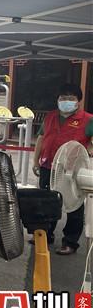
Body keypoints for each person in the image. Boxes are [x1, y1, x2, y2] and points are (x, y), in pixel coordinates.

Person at [33, 83, 93, 255]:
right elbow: (41, 138)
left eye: (71, 98)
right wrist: (36, 161)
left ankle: (70, 241)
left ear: (78, 101)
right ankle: (46, 235)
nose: (66, 101)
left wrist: (89, 150)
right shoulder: (50, 116)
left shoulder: (88, 119)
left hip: (72, 171)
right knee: (46, 202)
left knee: (73, 205)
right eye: (63, 98)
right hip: (48, 166)